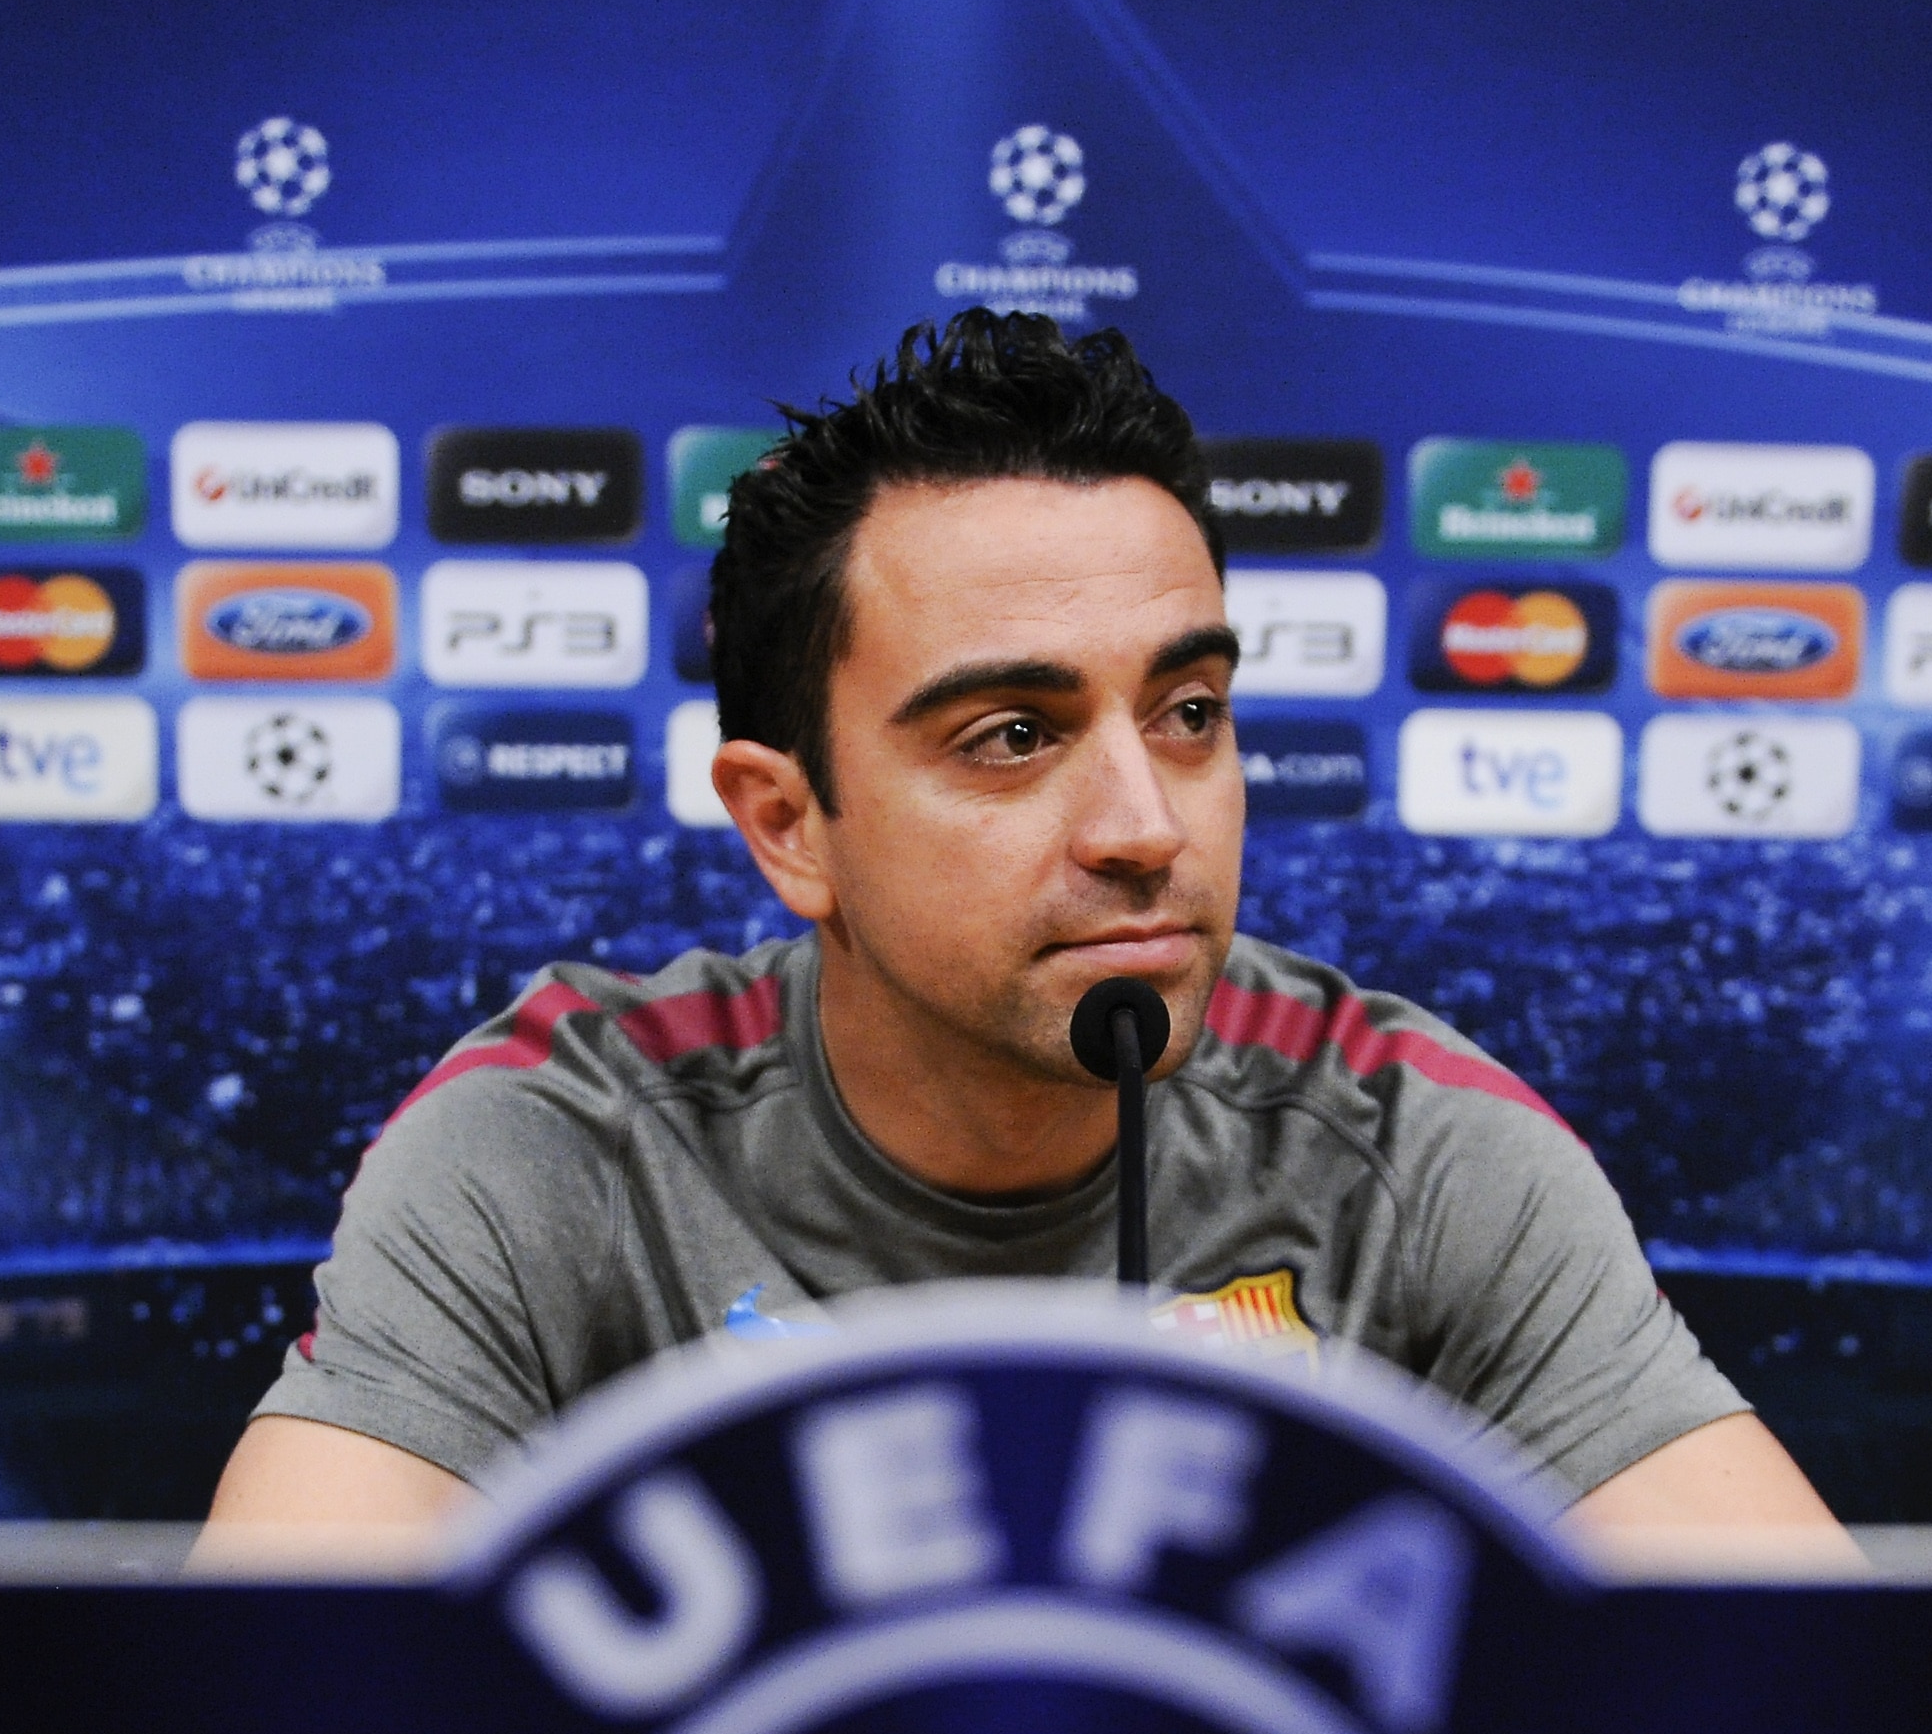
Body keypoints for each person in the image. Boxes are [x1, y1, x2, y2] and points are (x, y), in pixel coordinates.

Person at [206, 310, 1841, 1550]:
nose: (1144, 824)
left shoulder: (1412, 1145)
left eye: (1189, 709)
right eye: (1009, 735)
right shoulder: (550, 1149)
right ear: (789, 823)